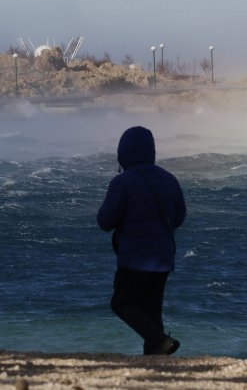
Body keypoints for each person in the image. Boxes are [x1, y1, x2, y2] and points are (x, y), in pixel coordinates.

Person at [97, 126, 186, 355]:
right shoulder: (169, 179)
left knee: (123, 304)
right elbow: (180, 216)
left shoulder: (122, 182)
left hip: (135, 257)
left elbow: (105, 221)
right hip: (164, 257)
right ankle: (156, 361)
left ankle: (161, 341)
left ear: (123, 153)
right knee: (151, 310)